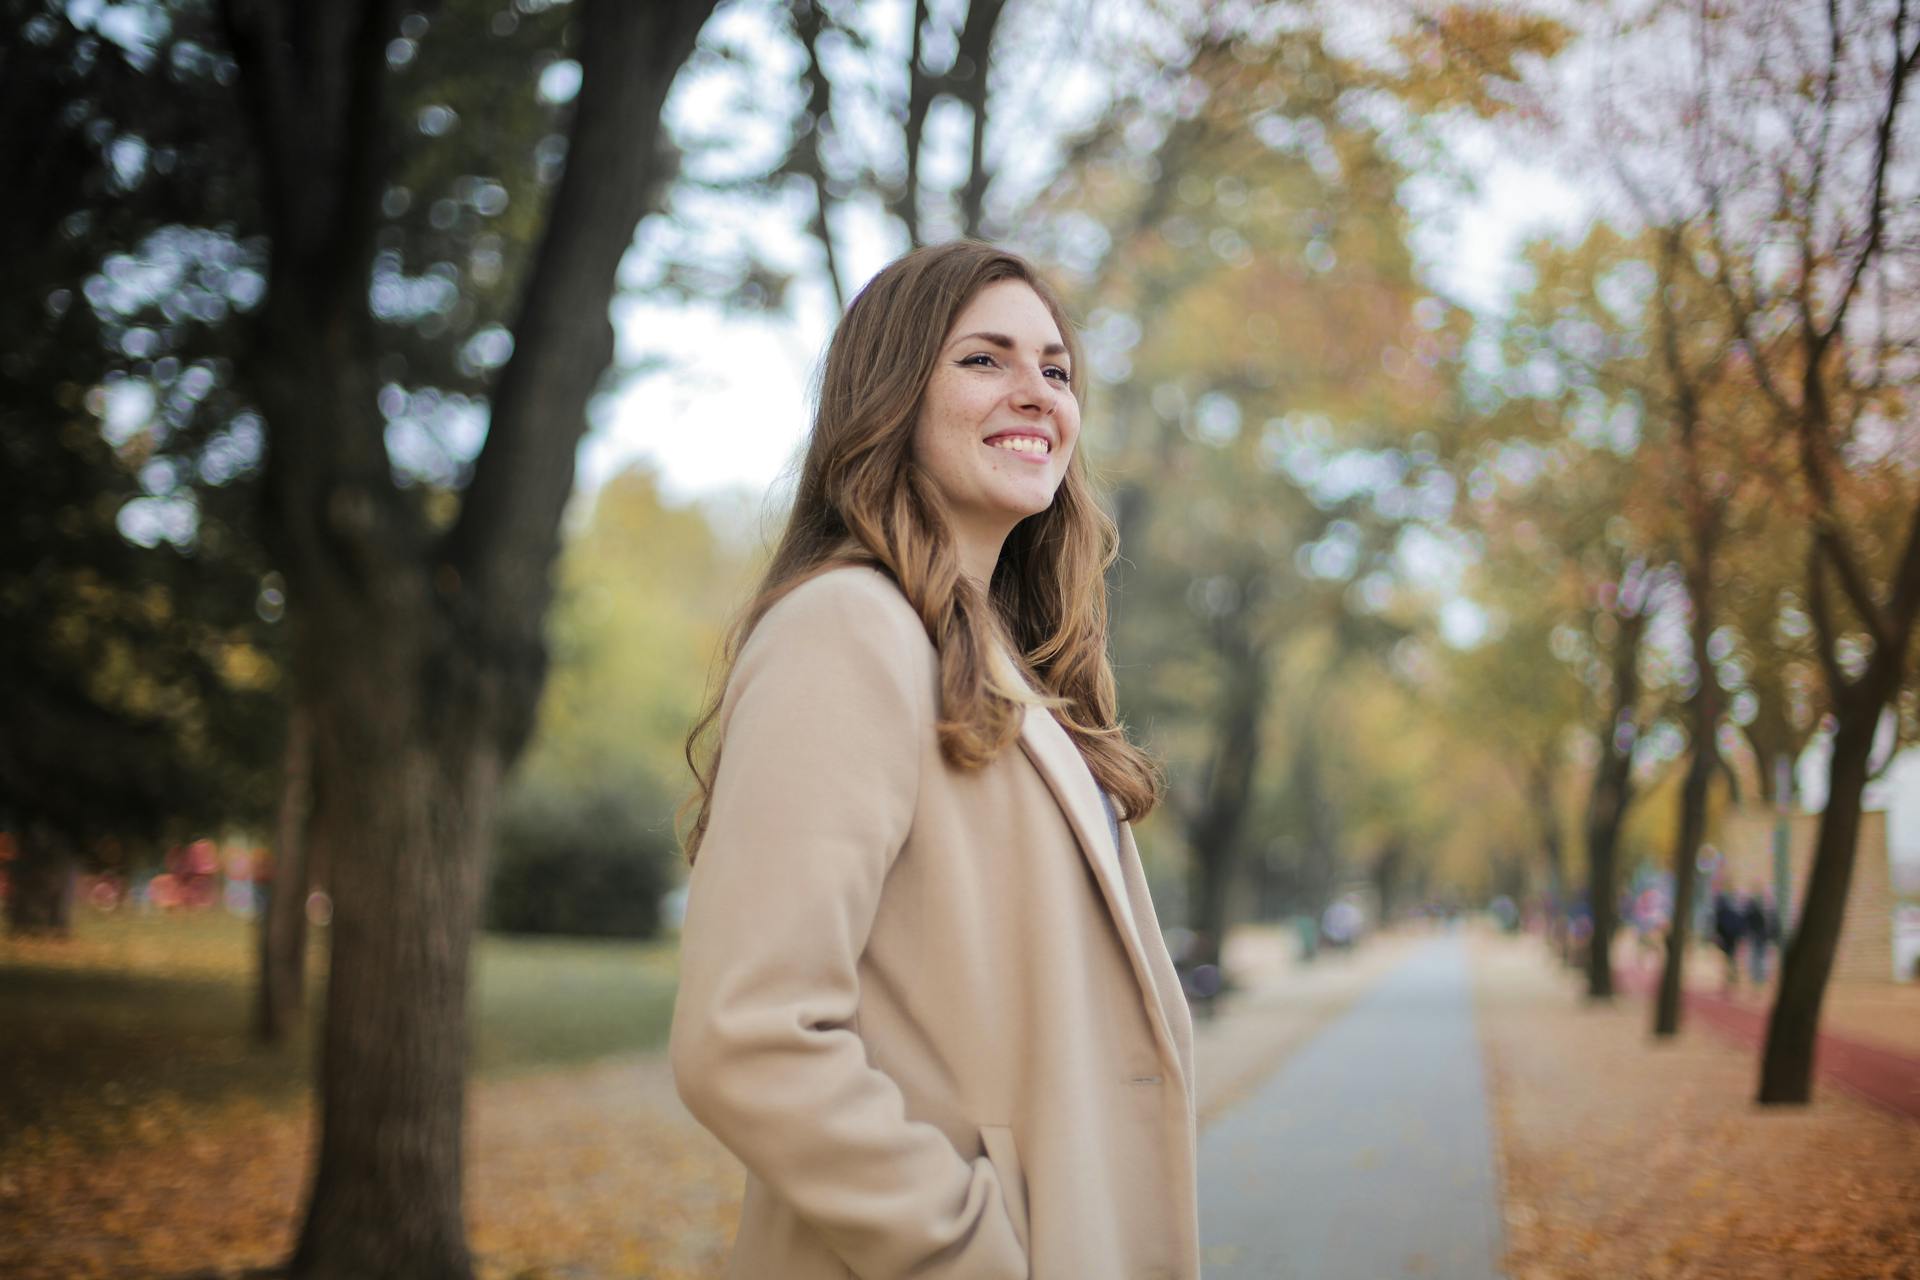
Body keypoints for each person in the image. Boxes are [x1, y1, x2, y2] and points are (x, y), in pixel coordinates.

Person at [668, 241, 1199, 1279]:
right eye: (985, 359)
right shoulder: (846, 627)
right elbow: (750, 1034)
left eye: (1056, 369)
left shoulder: (1006, 666)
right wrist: (967, 1248)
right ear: (893, 393)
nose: (1035, 393)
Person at [1711, 889, 1742, 993]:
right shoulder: (1731, 911)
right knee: (1730, 958)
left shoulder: (1720, 912)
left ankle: (1730, 979)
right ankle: (1731, 977)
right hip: (1732, 938)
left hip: (1728, 939)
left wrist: (1718, 937)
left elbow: (1719, 927)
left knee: (1728, 959)